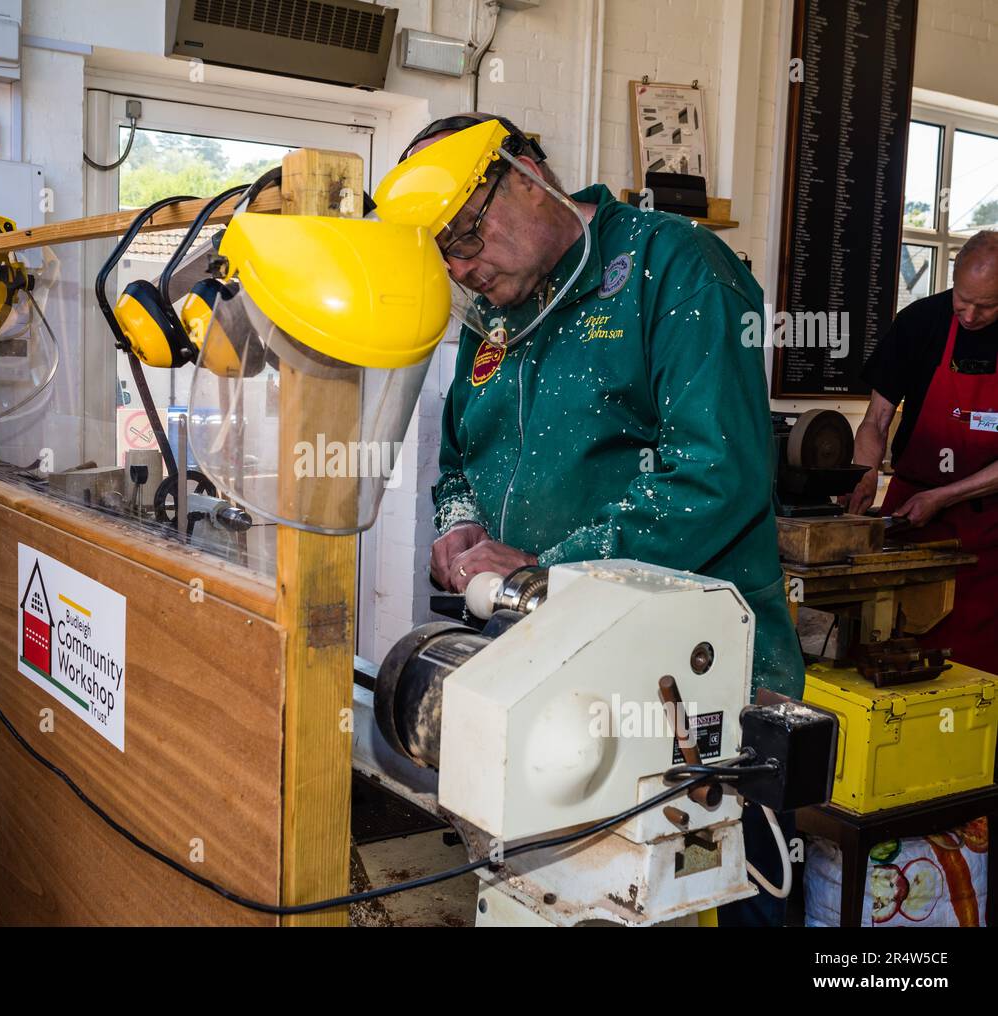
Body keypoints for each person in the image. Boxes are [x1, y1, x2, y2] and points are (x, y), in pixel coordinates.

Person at [381, 114, 805, 927]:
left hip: (690, 690)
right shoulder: (493, 315)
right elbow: (458, 456)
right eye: (444, 254)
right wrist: (457, 523)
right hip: (548, 674)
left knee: (709, 888)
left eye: (467, 233)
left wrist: (540, 575)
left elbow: (715, 474)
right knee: (554, 898)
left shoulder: (673, 269)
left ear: (529, 172)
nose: (462, 266)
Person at [847, 230, 998, 674]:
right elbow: (876, 419)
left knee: (975, 666)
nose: (969, 315)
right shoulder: (921, 322)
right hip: (910, 513)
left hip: (988, 529)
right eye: (962, 301)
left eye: (986, 307)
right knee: (892, 643)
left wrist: (946, 497)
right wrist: (864, 473)